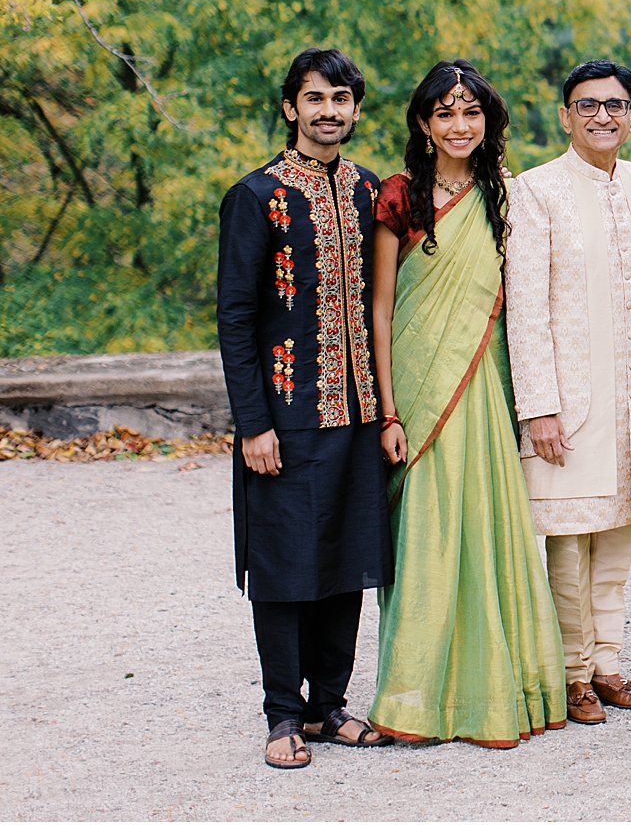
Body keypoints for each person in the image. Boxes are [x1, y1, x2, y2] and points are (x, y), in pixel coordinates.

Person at [367, 61, 569, 747]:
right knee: (425, 533)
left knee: (484, 529)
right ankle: (417, 697)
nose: (459, 125)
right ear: (424, 123)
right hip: (420, 391)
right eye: (445, 113)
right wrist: (389, 411)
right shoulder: (399, 196)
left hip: (480, 384)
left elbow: (522, 303)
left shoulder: (504, 196)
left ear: (489, 121)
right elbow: (383, 307)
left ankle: (496, 691)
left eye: (471, 112)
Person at [216, 46, 392, 769]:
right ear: (291, 107)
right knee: (287, 565)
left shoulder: (368, 190)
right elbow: (235, 315)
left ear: (354, 108)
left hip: (356, 414)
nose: (330, 111)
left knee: (347, 562)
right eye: (316, 98)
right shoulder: (256, 196)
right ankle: (282, 714)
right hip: (285, 416)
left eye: (342, 98)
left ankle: (328, 706)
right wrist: (253, 420)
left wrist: (385, 409)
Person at [503, 59, 631, 726]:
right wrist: (538, 405)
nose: (603, 115)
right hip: (567, 401)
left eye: (616, 104)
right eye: (588, 105)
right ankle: (570, 671)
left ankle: (607, 664)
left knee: (617, 539)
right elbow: (525, 306)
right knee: (568, 541)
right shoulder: (536, 189)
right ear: (566, 115)